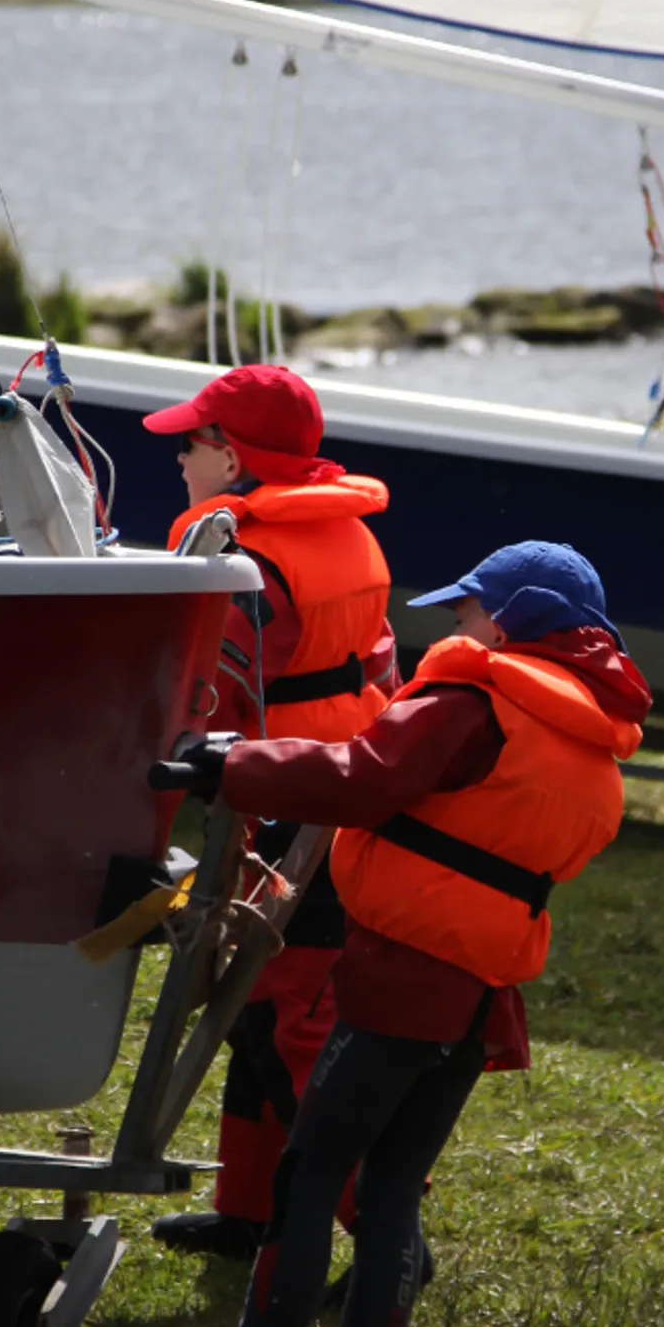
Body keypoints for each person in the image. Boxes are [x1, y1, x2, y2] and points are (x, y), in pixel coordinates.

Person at [129, 541, 651, 1327]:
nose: (458, 625)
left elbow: (361, 779)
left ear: (516, 617)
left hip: (407, 976)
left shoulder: (479, 701)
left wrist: (231, 768)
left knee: (310, 1174)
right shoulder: (585, 737)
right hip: (479, 987)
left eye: (470, 611)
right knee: (394, 1188)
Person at [142, 364, 398, 1266]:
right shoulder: (346, 536)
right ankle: (249, 1213)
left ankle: (384, 1238)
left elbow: (212, 693)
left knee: (295, 1019)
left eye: (191, 442)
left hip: (282, 800)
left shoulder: (246, 556)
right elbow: (380, 673)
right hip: (335, 791)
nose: (178, 459)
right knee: (252, 1008)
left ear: (233, 455)